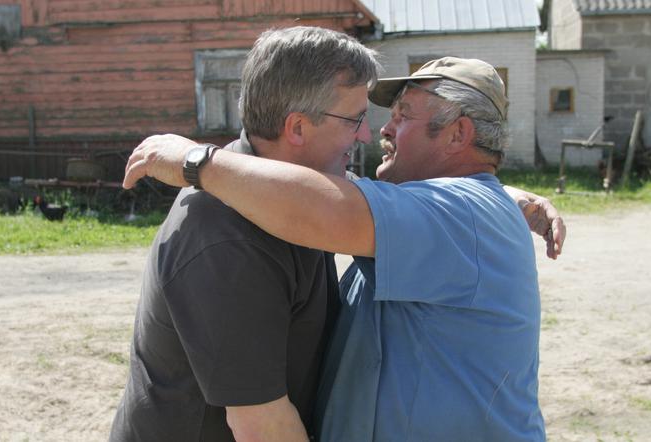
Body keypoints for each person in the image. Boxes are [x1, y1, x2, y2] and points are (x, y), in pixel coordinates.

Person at [123, 56, 560, 441]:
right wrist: (513, 197)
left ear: (456, 134)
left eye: (403, 115)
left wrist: (194, 161)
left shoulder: (465, 213)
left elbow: (322, 207)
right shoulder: (451, 211)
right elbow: (320, 194)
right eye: (360, 119)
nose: (380, 130)